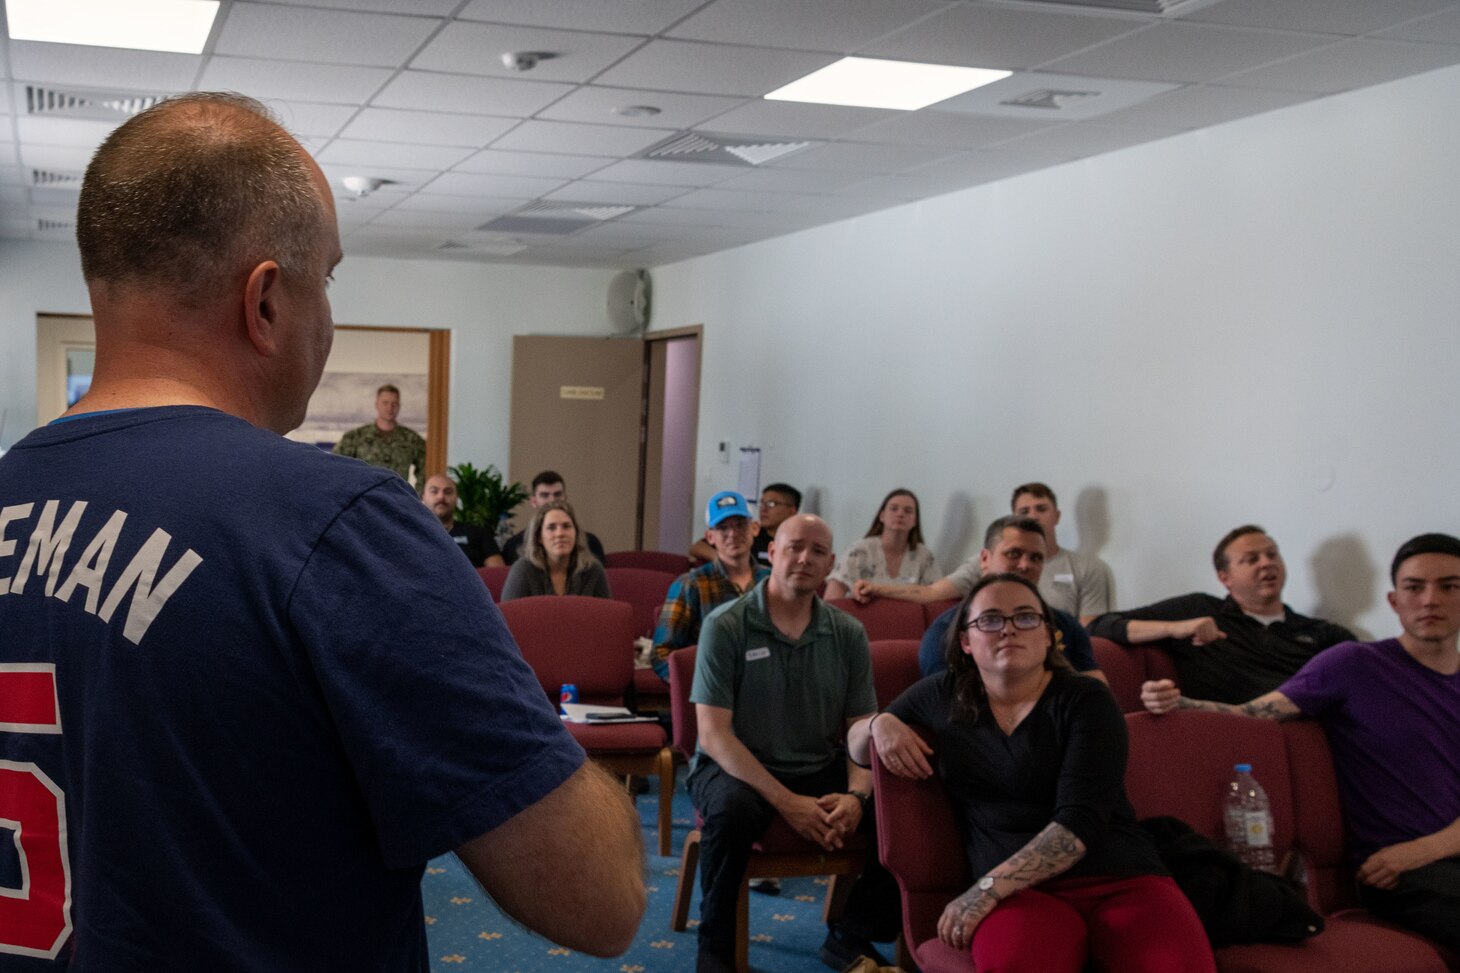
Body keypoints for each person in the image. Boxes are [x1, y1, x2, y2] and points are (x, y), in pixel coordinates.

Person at [0, 92, 645, 967]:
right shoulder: (338, 523)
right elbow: (600, 899)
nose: (329, 314)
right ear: (265, 300)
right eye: (328, 278)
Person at [851, 573, 1215, 973]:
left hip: (1118, 876)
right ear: (966, 643)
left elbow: (1079, 823)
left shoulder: (1087, 699)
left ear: (1048, 636)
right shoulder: (942, 693)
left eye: (1025, 617)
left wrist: (984, 891)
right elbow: (855, 747)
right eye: (990, 620)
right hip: (1019, 897)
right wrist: (877, 725)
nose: (1008, 629)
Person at [1141, 533, 1460, 951]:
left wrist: (1426, 849)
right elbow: (1254, 714)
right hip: (1396, 874)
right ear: (1394, 600)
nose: (1430, 600)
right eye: (1414, 588)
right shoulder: (1354, 664)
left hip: (1426, 855)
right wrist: (1177, 701)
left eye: (1449, 586)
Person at [689, 514, 900, 973]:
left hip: (816, 763)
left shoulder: (847, 634)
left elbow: (861, 727)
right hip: (733, 766)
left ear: (830, 565)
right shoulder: (726, 626)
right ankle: (716, 951)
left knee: (902, 805)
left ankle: (851, 935)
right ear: (771, 552)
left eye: (818, 551)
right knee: (732, 811)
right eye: (795, 546)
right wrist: (788, 803)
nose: (805, 558)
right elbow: (713, 735)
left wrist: (858, 796)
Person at [1089, 525, 1355, 703]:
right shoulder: (1200, 610)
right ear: (1224, 577)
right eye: (1251, 559)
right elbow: (1100, 625)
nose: (1267, 563)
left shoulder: (1319, 632)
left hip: (1307, 732)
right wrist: (1175, 628)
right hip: (1230, 737)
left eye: (1272, 555)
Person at [916, 516, 1101, 680]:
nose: (1025, 565)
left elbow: (1097, 696)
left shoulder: (1065, 624)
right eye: (1014, 554)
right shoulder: (944, 633)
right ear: (984, 559)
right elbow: (948, 707)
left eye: (1036, 558)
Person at [651, 490, 768, 680]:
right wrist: (698, 686)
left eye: (740, 525)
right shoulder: (691, 584)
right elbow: (662, 653)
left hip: (763, 686)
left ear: (754, 529)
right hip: (709, 686)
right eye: (723, 528)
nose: (732, 534)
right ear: (710, 537)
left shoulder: (771, 582)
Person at [1011, 482, 1114, 624]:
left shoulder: (1088, 568)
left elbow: (1090, 634)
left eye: (1041, 509)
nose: (1033, 516)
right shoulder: (997, 566)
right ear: (1013, 520)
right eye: (1024, 512)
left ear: (1057, 516)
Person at [824, 488, 941, 600]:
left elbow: (936, 599)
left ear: (915, 521)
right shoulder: (859, 552)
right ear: (882, 516)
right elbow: (832, 600)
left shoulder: (925, 557)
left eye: (908, 511)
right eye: (894, 509)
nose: (900, 514)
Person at [501, 499, 611, 601]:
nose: (560, 534)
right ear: (539, 537)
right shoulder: (523, 569)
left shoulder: (593, 570)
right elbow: (508, 617)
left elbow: (606, 617)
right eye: (551, 528)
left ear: (576, 533)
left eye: (566, 526)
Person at [332, 382, 427, 489]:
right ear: (376, 404)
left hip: (397, 498)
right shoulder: (355, 437)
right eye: (385, 403)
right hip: (365, 499)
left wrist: (416, 497)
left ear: (399, 406)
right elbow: (336, 465)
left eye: (394, 403)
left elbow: (426, 469)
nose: (390, 408)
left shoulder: (411, 439)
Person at [501, 470, 607, 565]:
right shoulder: (514, 545)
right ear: (533, 501)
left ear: (565, 498)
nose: (552, 500)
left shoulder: (590, 542)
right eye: (544, 495)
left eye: (557, 494)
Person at [691, 482, 799, 567]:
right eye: (762, 503)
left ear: (792, 510)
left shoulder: (797, 541)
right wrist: (722, 558)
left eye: (771, 504)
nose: (763, 509)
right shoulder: (749, 535)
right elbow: (696, 547)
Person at [422, 472, 505, 568]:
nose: (441, 496)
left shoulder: (478, 533)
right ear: (423, 498)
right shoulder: (412, 533)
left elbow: (497, 575)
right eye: (434, 491)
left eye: (448, 492)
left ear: (457, 499)